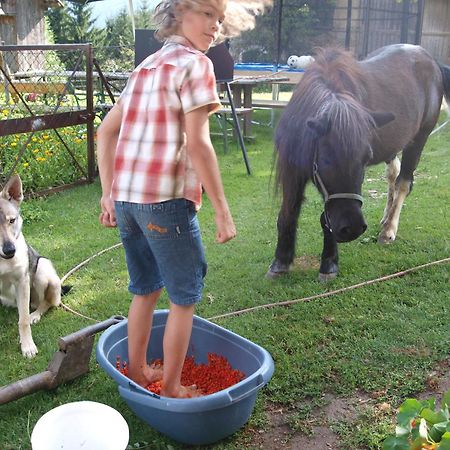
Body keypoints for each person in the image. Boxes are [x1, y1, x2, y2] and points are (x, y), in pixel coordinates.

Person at [97, 0, 271, 398]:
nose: (215, 27)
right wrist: (222, 210)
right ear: (179, 12)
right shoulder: (197, 65)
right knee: (185, 297)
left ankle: (140, 371)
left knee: (144, 289)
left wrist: (109, 194)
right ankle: (172, 387)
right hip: (165, 203)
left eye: (220, 19)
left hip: (127, 202)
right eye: (207, 14)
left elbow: (105, 132)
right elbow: (199, 143)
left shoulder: (145, 68)